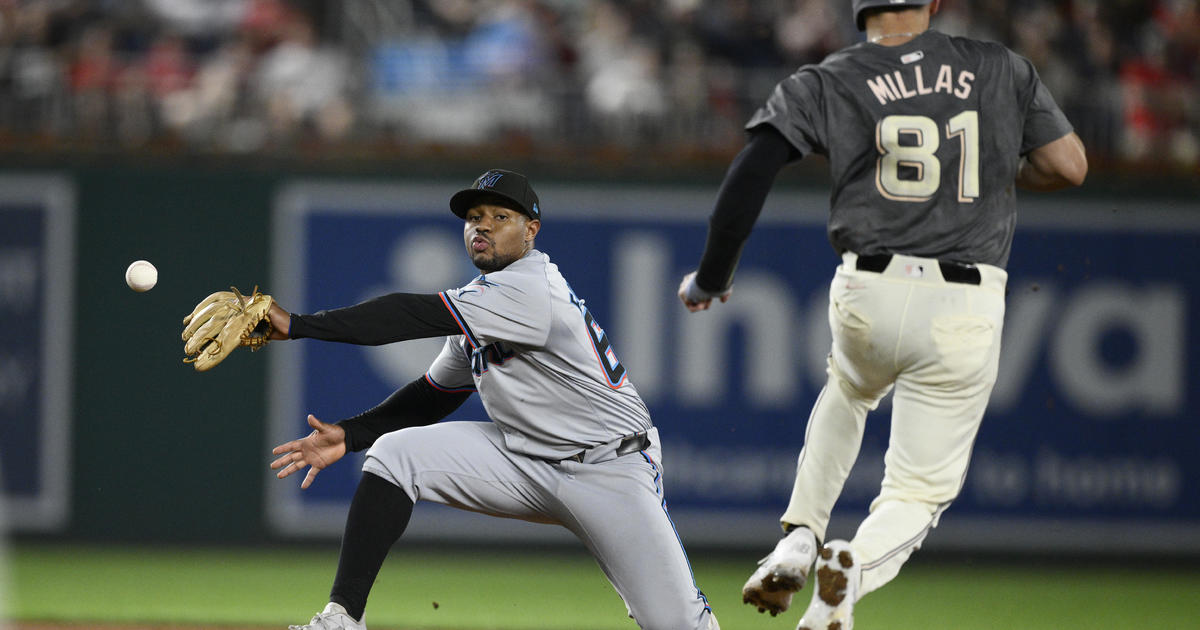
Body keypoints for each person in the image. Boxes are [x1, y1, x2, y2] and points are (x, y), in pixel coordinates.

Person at [676, 1, 1087, 629]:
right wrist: (1000, 170)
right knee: (917, 491)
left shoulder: (829, 76)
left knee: (847, 389)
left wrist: (713, 275)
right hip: (964, 298)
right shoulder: (999, 67)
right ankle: (854, 571)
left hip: (870, 285)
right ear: (935, 2)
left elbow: (752, 169)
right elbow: (1069, 166)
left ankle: (800, 537)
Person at [267, 169, 718, 630]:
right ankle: (343, 619)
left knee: (678, 625)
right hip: (524, 460)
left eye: (500, 216)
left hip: (610, 469)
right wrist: (352, 433)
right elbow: (434, 395)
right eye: (474, 217)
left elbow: (406, 315)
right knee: (394, 455)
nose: (481, 225)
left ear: (531, 230)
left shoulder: (530, 287)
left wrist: (300, 324)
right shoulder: (481, 304)